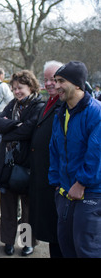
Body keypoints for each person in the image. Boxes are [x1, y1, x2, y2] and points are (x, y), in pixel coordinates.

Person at [0, 70, 44, 256]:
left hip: (27, 165)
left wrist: (9, 129)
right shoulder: (12, 104)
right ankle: (8, 242)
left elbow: (28, 130)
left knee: (27, 209)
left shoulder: (38, 105)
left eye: (21, 88)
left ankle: (27, 243)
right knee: (8, 207)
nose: (17, 91)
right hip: (7, 165)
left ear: (31, 87)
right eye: (14, 88)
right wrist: (14, 126)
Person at [49, 61, 101, 258]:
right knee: (67, 247)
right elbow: (54, 149)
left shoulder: (96, 112)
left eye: (61, 81)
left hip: (90, 194)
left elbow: (96, 153)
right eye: (55, 81)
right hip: (64, 192)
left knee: (87, 250)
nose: (56, 85)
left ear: (78, 84)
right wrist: (55, 182)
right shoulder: (61, 113)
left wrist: (81, 183)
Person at [29, 60, 64, 258]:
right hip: (41, 175)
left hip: (55, 178)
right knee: (49, 229)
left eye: (54, 79)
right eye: (46, 79)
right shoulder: (46, 102)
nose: (50, 83)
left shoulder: (64, 103)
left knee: (57, 230)